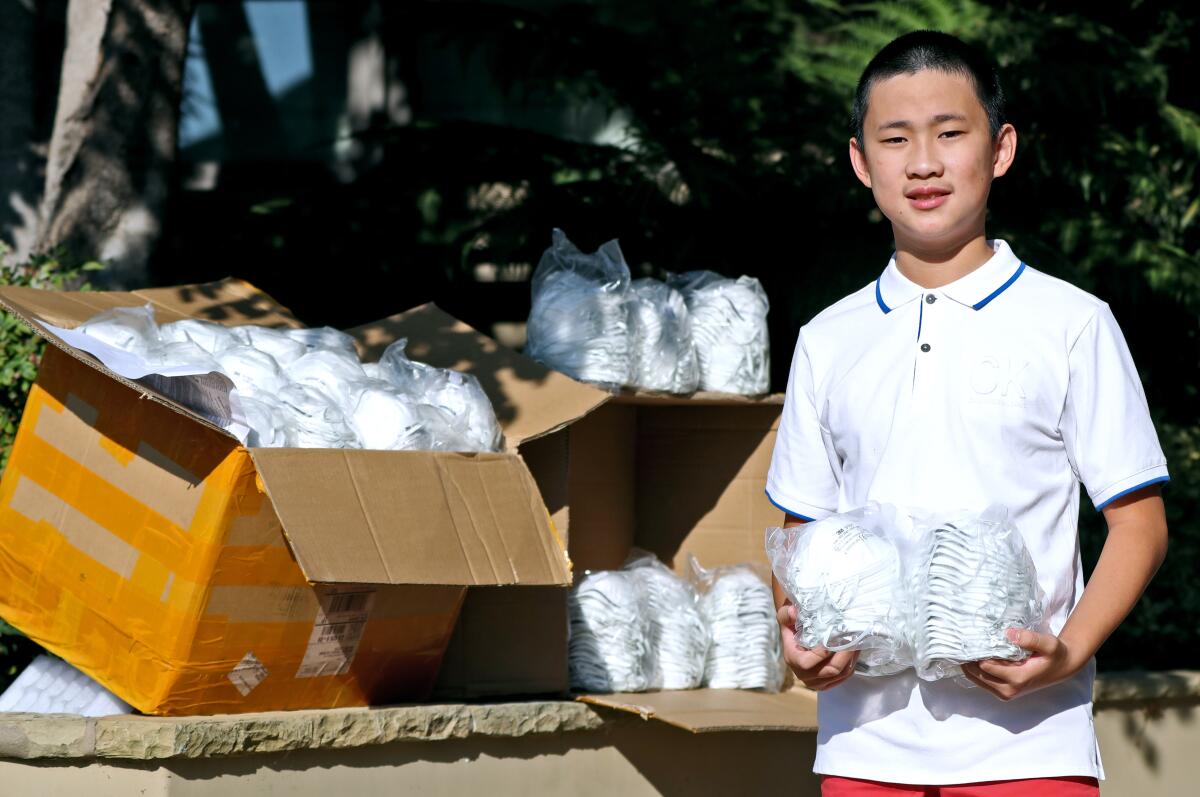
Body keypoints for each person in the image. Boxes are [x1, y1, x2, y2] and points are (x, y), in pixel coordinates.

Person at [765, 30, 1170, 796]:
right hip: (862, 749)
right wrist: (802, 636)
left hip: (1029, 751)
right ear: (861, 161)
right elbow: (801, 530)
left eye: (951, 133)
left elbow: (1139, 522)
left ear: (1000, 148)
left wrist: (1069, 648)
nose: (923, 162)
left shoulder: (1071, 321)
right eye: (895, 138)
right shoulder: (828, 339)